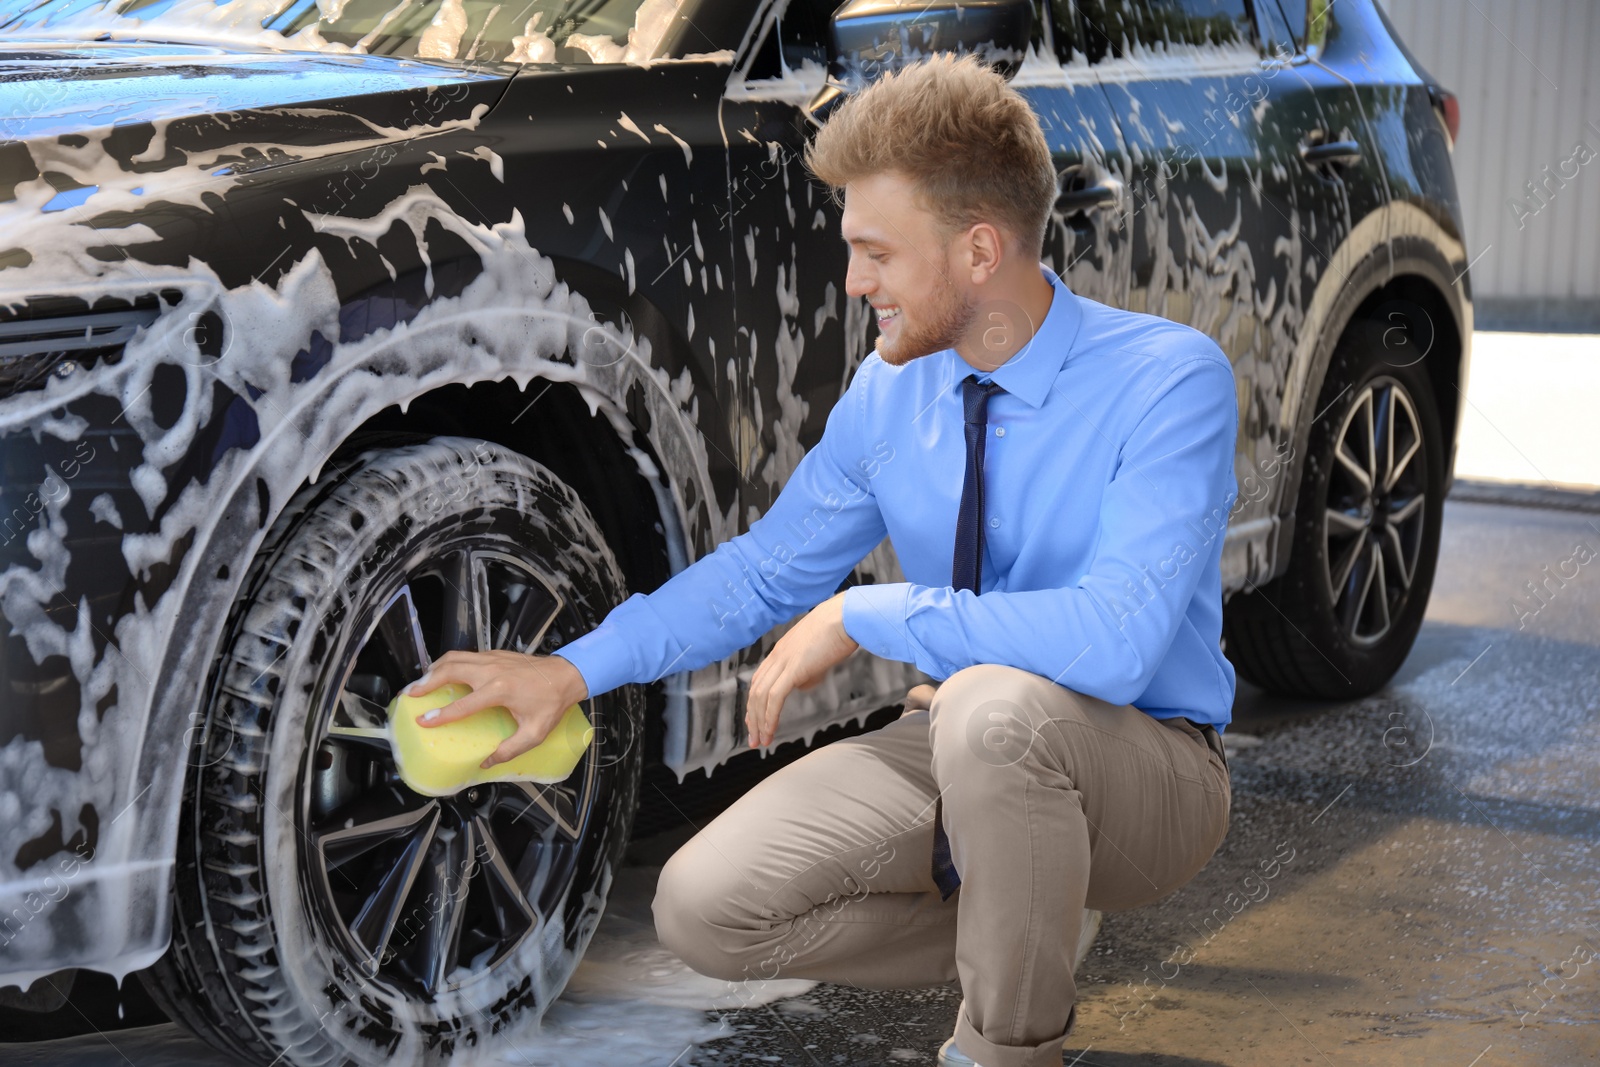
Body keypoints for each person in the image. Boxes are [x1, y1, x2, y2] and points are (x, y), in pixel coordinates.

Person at [408, 52, 1236, 1067]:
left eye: (878, 253)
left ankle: (1007, 1046)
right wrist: (573, 668)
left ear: (979, 251)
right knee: (705, 907)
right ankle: (1029, 911)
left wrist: (868, 613)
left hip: (1148, 768)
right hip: (961, 744)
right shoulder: (893, 395)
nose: (853, 283)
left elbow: (1112, 645)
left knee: (990, 711)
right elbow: (765, 570)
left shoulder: (1167, 380)